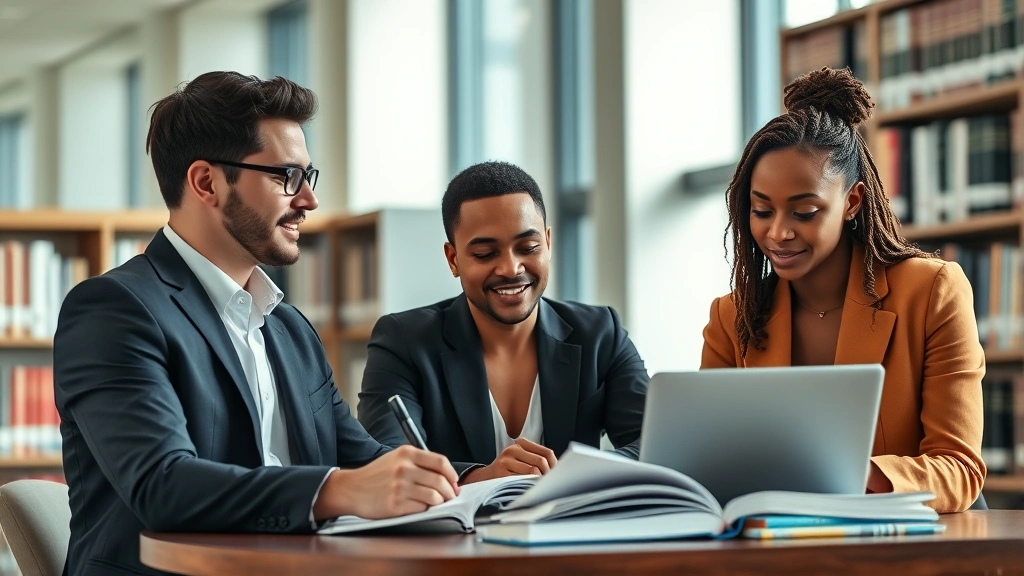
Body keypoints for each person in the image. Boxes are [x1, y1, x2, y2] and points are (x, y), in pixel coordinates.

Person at [53, 72, 459, 576]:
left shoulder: (289, 328)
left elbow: (366, 463)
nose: (308, 201)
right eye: (286, 177)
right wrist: (335, 490)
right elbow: (162, 485)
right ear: (207, 182)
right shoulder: (113, 311)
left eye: (309, 177)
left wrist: (479, 480)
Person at [701, 67, 985, 513]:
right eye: (761, 210)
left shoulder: (932, 292)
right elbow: (708, 459)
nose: (778, 232)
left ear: (851, 202)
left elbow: (959, 467)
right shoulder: (730, 317)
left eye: (805, 212)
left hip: (903, 544)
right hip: (781, 544)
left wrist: (853, 473)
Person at [357, 161, 649, 483]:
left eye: (528, 247)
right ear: (453, 260)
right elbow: (383, 461)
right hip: (453, 532)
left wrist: (573, 474)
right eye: (484, 254)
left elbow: (653, 443)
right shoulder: (403, 341)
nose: (511, 268)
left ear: (548, 244)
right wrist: (481, 476)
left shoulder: (600, 332)